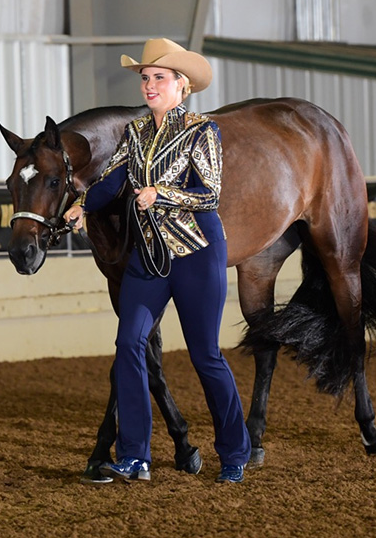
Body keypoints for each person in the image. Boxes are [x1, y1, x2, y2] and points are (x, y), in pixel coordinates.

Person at [64, 38, 250, 484]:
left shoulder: (203, 131)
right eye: (146, 78)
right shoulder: (136, 132)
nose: (149, 85)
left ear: (182, 85)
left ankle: (234, 453)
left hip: (196, 254)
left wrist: (160, 194)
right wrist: (82, 205)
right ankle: (135, 456)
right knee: (129, 343)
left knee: (205, 356)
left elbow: (209, 195)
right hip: (149, 257)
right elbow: (113, 181)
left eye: (158, 78)